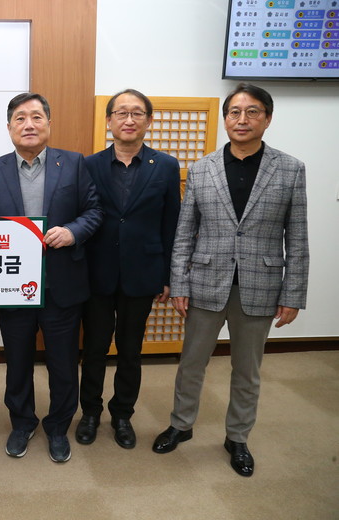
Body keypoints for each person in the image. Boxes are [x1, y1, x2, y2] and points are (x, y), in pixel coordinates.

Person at [152, 83, 309, 477]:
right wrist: (180, 283)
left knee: (247, 370)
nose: (243, 119)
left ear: (267, 119)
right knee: (191, 363)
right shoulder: (202, 168)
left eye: (252, 111)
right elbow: (185, 233)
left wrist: (293, 294)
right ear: (225, 120)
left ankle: (237, 437)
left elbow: (298, 237)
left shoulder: (290, 169)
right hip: (206, 282)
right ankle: (181, 424)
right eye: (235, 112)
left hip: (260, 285)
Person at [0, 93, 103, 462]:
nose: (28, 124)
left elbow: (94, 210)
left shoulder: (74, 163)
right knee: (17, 363)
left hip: (61, 284)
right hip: (12, 286)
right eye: (20, 118)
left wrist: (73, 231)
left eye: (36, 117)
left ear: (48, 123)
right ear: (9, 127)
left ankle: (58, 426)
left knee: (63, 364)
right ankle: (22, 422)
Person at [77, 89, 181, 449]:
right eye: (121, 112)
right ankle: (90, 413)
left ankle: (122, 415)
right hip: (97, 272)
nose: (129, 119)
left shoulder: (165, 166)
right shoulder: (89, 165)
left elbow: (171, 224)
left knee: (131, 350)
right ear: (109, 120)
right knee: (94, 348)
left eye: (137, 113)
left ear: (148, 121)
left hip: (143, 271)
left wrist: (168, 276)